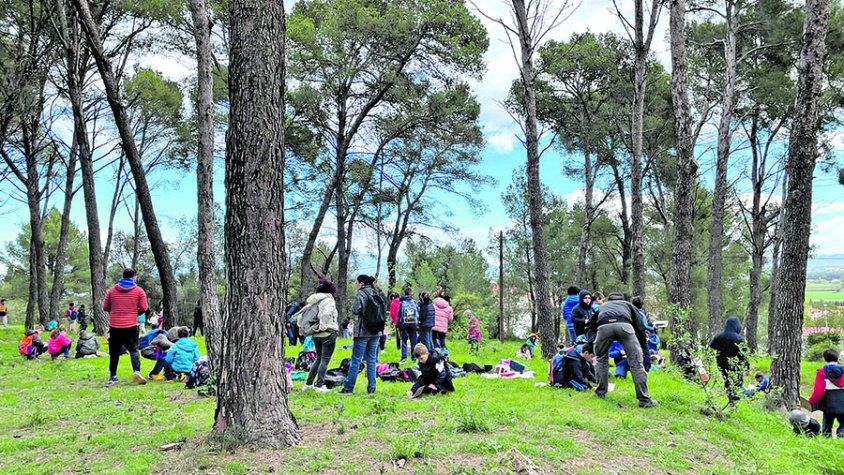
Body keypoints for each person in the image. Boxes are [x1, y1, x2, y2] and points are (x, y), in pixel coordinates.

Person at [586, 293, 657, 408]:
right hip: (625, 326)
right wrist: (643, 345)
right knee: (636, 364)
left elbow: (590, 325)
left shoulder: (602, 307)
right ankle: (644, 400)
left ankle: (600, 393)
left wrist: (592, 342)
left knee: (601, 360)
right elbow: (639, 325)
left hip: (603, 328)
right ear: (622, 299)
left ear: (608, 300)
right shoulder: (628, 305)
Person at [340, 275, 386, 395]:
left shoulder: (361, 293)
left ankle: (348, 388)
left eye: (356, 282)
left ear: (361, 283)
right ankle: (372, 388)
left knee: (356, 360)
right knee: (372, 360)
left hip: (363, 331)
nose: (356, 284)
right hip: (376, 331)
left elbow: (355, 310)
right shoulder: (377, 292)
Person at [103, 268, 149, 385]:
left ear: (122, 276)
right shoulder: (139, 291)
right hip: (131, 325)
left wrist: (116, 310)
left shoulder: (112, 290)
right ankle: (136, 371)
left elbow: (105, 307)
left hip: (115, 326)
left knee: (114, 352)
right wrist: (135, 312)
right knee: (134, 349)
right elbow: (144, 308)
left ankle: (113, 376)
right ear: (134, 277)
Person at [300, 279, 339, 394]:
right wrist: (322, 327)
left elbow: (302, 315)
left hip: (315, 334)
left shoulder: (314, 300)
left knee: (318, 359)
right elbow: (326, 314)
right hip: (327, 332)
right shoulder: (329, 300)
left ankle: (308, 384)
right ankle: (319, 385)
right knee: (324, 360)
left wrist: (305, 328)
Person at [709, 317, 748, 403]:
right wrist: (746, 365)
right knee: (737, 384)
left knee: (727, 382)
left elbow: (711, 347)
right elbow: (744, 355)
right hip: (736, 366)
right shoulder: (739, 339)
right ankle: (734, 402)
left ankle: (731, 399)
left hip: (722, 365)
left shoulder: (718, 337)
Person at [807, 348, 844, 438]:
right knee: (843, 425)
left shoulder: (822, 372)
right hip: (843, 403)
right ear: (837, 358)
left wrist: (812, 401)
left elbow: (818, 390)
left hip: (828, 405)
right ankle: (841, 440)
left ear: (825, 358)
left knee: (827, 426)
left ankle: (826, 440)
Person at [397, 287, 419, 364]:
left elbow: (399, 313)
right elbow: (418, 312)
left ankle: (404, 357)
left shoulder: (402, 302)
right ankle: (414, 357)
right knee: (413, 341)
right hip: (413, 323)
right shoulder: (414, 302)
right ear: (411, 293)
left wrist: (399, 323)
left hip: (404, 323)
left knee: (404, 341)